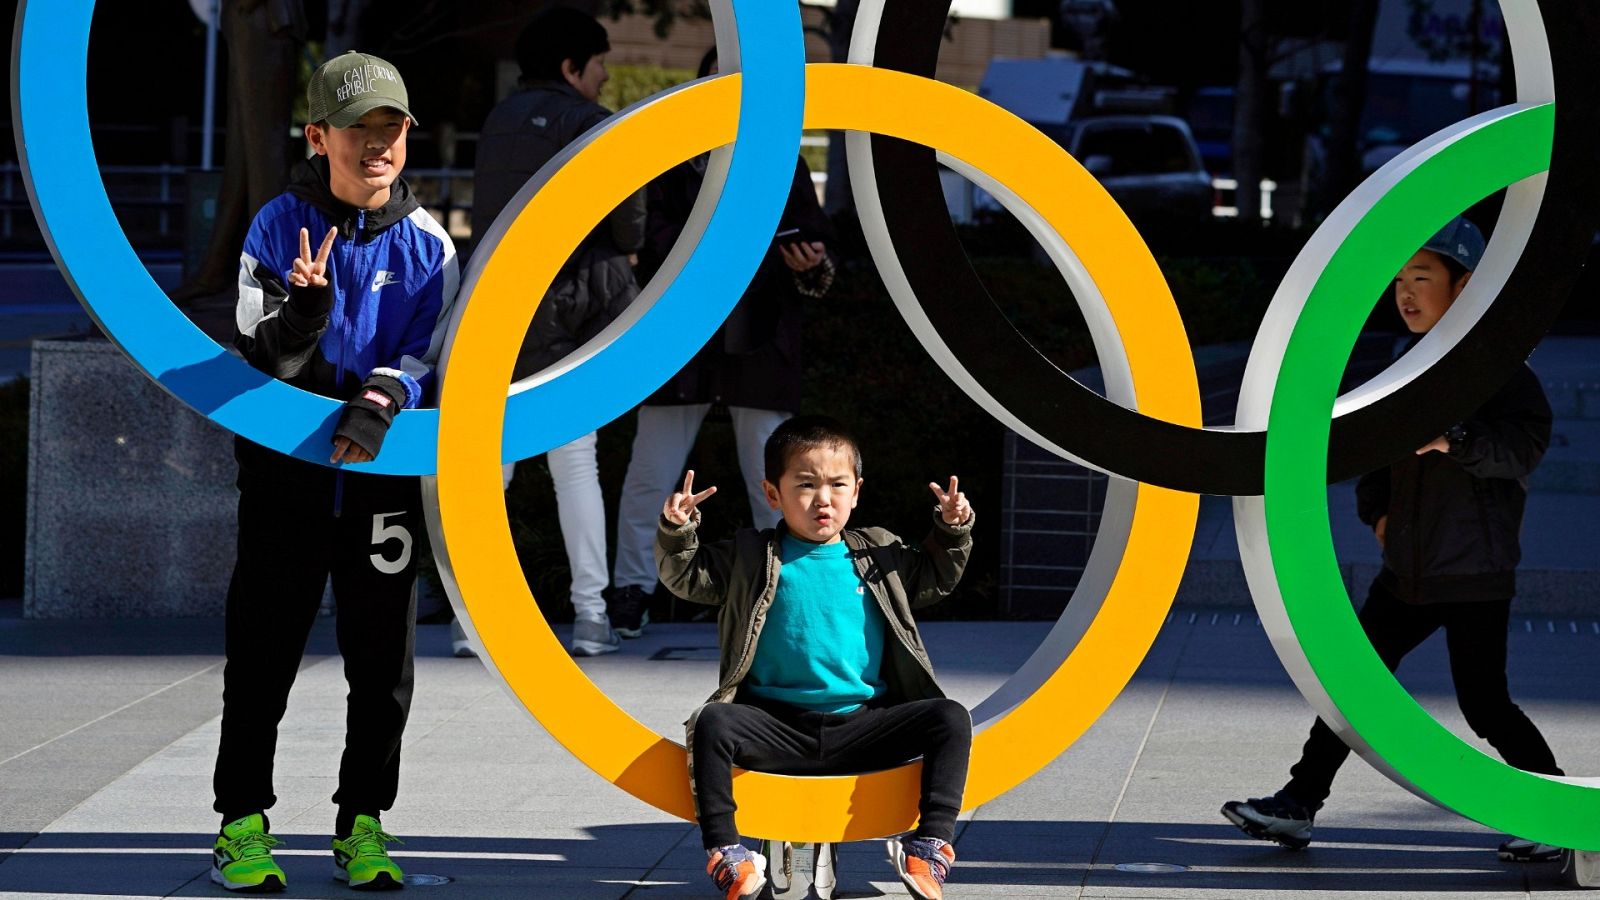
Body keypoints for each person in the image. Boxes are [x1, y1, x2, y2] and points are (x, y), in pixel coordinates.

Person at [1221, 217, 1566, 863]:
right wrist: (1374, 511)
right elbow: (1370, 449)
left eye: (1423, 277)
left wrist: (1455, 439)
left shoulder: (1500, 372)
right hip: (1405, 570)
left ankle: (1552, 811)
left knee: (1486, 707)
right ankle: (1298, 805)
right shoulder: (1404, 362)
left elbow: (1521, 452)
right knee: (1352, 686)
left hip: (1471, 573)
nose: (1406, 293)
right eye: (1400, 280)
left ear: (1464, 286)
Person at [212, 51, 458, 892]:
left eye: (392, 128)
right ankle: (242, 824)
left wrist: (383, 400)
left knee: (382, 664)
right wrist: (307, 312)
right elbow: (260, 348)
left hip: (383, 480)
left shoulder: (431, 245)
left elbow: (429, 352)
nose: (379, 145)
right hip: (286, 475)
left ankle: (363, 825)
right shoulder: (277, 225)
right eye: (360, 130)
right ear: (319, 137)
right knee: (262, 652)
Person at [656, 416, 974, 900]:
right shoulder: (751, 555)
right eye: (804, 485)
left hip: (863, 724)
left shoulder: (878, 552)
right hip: (776, 725)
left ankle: (930, 845)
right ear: (772, 493)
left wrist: (952, 529)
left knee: (950, 718)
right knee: (712, 723)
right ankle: (726, 852)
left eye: (836, 485)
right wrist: (678, 531)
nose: (822, 499)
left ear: (857, 491)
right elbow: (689, 577)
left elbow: (933, 575)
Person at [609, 46, 836, 639]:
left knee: (779, 477)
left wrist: (808, 261)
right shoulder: (671, 149)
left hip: (759, 333)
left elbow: (814, 245)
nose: (730, 91)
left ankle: (791, 599)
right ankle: (631, 590)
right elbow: (644, 232)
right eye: (720, 80)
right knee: (651, 475)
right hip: (680, 334)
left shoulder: (776, 155)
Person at [470, 7, 647, 658]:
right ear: (572, 66)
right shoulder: (591, 124)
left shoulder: (498, 121)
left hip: (498, 307)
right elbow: (628, 219)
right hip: (573, 309)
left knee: (493, 468)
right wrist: (624, 247)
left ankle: (472, 620)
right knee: (575, 463)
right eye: (598, 65)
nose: (604, 78)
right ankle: (591, 616)